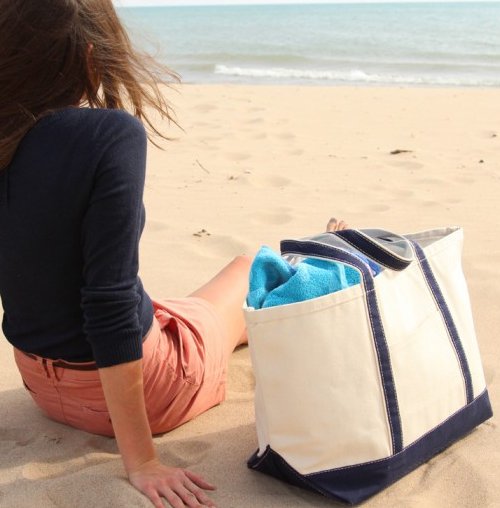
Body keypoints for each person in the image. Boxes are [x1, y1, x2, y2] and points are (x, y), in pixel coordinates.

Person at [0, 1, 347, 506]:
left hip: (41, 384)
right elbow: (109, 305)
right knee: (251, 270)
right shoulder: (107, 135)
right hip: (145, 392)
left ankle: (273, 282)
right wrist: (141, 462)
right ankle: (321, 258)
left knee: (207, 295)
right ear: (93, 57)